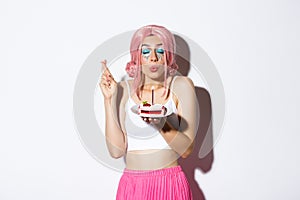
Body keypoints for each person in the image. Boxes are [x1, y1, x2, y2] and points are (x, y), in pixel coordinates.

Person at [99, 25, 199, 200]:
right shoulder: (123, 88)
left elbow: (186, 149)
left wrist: (160, 122)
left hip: (169, 184)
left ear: (168, 55)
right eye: (145, 52)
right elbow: (116, 151)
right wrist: (108, 100)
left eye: (160, 51)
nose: (153, 58)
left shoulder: (181, 86)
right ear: (136, 56)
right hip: (132, 187)